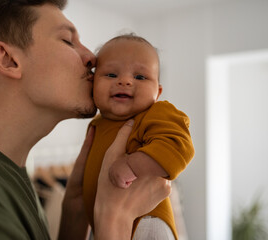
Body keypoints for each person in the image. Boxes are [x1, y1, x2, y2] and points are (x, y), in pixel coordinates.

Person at [0, 1, 172, 240]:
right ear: (7, 59)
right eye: (68, 41)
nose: (91, 57)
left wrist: (74, 214)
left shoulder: (4, 170)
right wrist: (115, 217)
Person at [82, 34, 195, 240]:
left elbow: (178, 149)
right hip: (103, 226)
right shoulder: (97, 125)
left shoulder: (156, 113)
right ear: (93, 82)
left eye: (140, 77)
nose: (124, 81)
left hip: (148, 222)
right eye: (111, 74)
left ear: (158, 92)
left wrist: (131, 165)